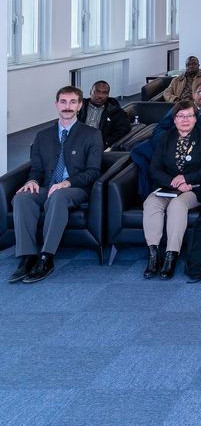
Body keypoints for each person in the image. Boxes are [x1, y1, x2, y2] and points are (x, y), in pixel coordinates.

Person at [9, 87, 103, 283]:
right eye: (63, 102)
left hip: (75, 189)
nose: (67, 106)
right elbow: (36, 169)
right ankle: (28, 256)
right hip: (47, 187)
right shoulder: (43, 136)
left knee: (58, 196)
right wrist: (32, 181)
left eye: (72, 102)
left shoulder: (92, 134)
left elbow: (93, 171)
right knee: (22, 198)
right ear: (56, 104)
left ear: (80, 105)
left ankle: (46, 257)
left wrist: (68, 183)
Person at [142, 100, 201, 280]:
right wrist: (173, 182)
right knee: (151, 202)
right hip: (168, 187)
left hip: (193, 188)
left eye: (189, 116)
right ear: (174, 119)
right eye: (181, 116)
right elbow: (154, 169)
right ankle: (154, 255)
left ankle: (171, 255)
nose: (185, 120)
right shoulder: (165, 137)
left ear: (195, 119)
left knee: (177, 205)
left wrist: (187, 178)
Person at [131, 82, 201, 198]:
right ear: (193, 95)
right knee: (144, 154)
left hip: (195, 153)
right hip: (169, 146)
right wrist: (167, 140)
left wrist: (194, 129)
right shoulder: (179, 109)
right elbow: (161, 127)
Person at [76, 80, 131, 149]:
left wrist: (107, 142)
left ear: (108, 95)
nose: (100, 96)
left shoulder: (115, 111)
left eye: (104, 93)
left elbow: (124, 128)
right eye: (97, 92)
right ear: (90, 92)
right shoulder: (78, 106)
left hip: (97, 145)